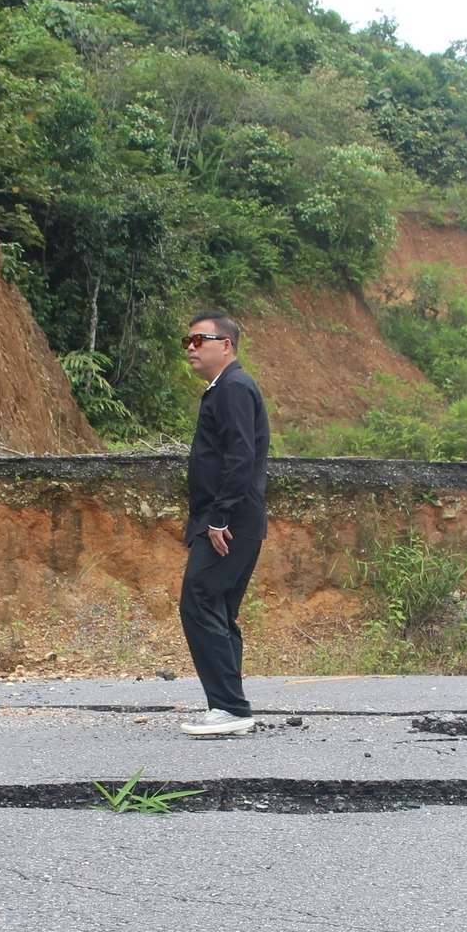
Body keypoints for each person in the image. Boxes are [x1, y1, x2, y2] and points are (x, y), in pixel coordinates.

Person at [177, 311, 269, 737]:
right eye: (188, 342)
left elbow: (240, 457)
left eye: (200, 340)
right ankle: (229, 707)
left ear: (226, 345)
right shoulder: (225, 388)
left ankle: (230, 708)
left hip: (229, 523)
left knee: (199, 599)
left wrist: (218, 518)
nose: (191, 347)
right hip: (232, 520)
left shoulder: (233, 386)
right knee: (217, 608)